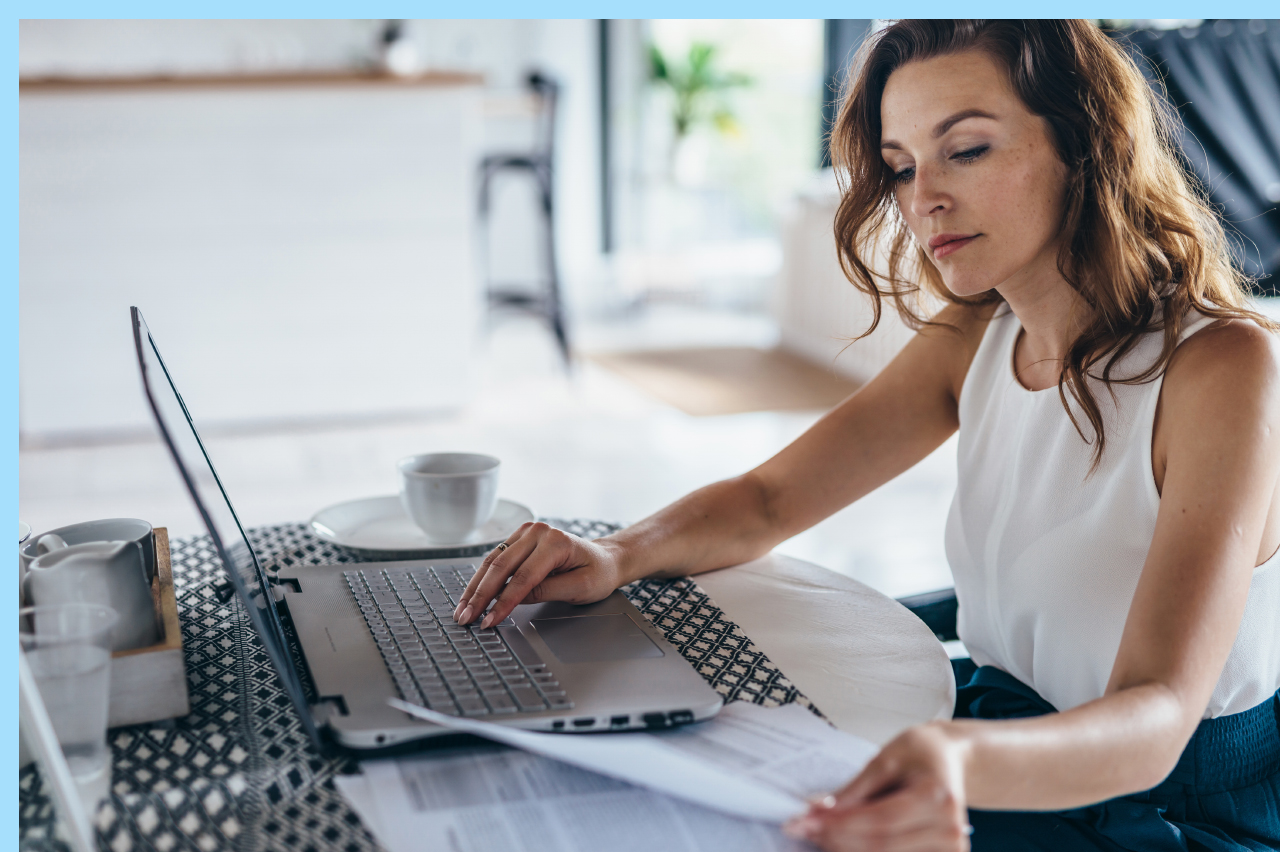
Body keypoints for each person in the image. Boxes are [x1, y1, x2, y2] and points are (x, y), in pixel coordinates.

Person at [453, 19, 1280, 851]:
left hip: (1164, 811)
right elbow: (770, 499)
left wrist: (954, 760)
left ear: (1084, 142)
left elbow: (1159, 716)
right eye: (901, 167)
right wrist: (617, 555)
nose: (924, 198)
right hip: (992, 738)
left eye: (968, 150)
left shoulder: (1224, 367)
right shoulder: (978, 333)